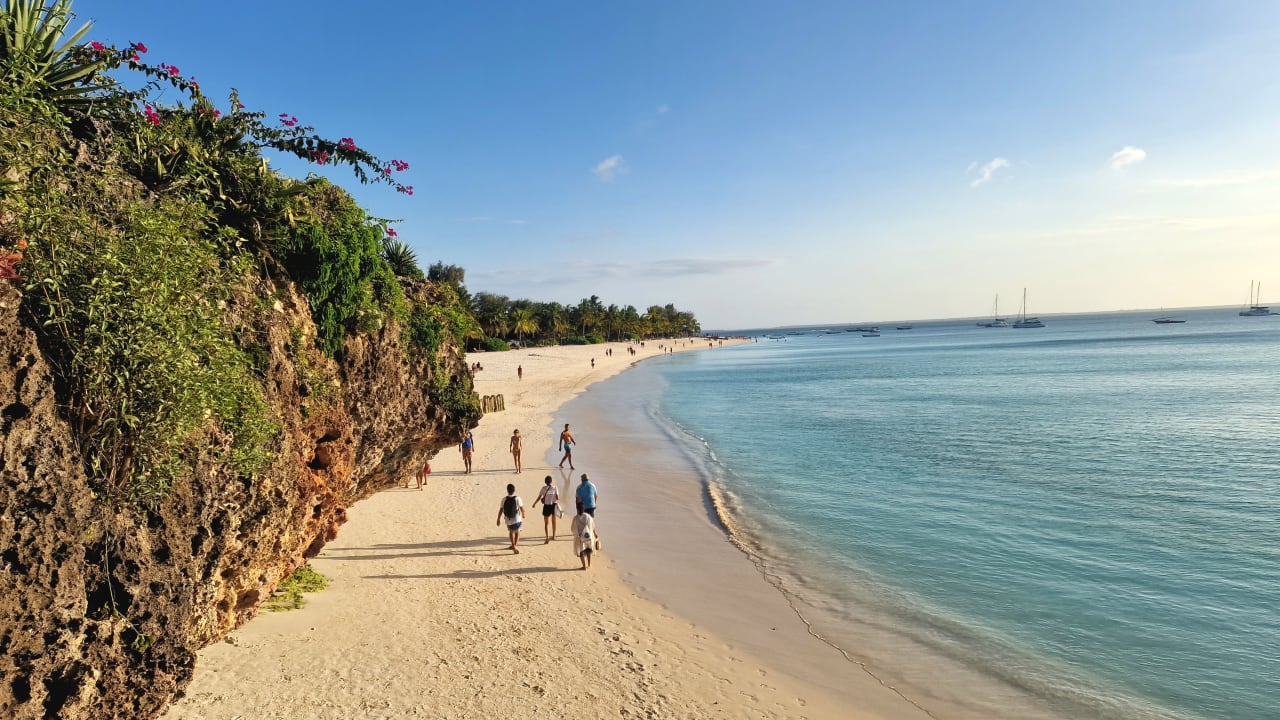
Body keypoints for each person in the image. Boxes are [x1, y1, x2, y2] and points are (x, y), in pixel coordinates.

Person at [496, 483, 525, 553]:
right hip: (517, 519)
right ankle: (515, 545)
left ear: (507, 490)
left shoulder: (504, 499)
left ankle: (513, 545)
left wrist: (498, 519)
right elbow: (522, 508)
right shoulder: (518, 498)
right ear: (514, 490)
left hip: (508, 520)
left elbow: (501, 510)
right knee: (517, 532)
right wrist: (524, 514)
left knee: (511, 532)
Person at [532, 475, 560, 543]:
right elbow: (557, 498)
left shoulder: (543, 488)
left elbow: (539, 497)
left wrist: (534, 503)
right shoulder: (555, 487)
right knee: (554, 522)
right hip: (554, 505)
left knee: (546, 523)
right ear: (551, 481)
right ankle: (553, 536)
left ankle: (547, 538)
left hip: (546, 506)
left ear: (545, 482)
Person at [571, 500, 596, 570]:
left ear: (577, 509)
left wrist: (576, 534)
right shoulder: (588, 516)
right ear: (584, 509)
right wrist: (595, 534)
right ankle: (589, 564)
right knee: (588, 550)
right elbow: (593, 526)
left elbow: (573, 529)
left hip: (580, 538)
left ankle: (584, 566)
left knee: (581, 552)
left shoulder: (575, 518)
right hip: (588, 537)